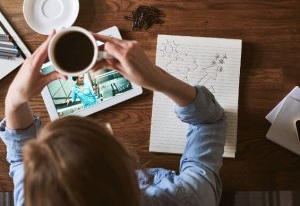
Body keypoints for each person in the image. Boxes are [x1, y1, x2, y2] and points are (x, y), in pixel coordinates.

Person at [0, 30, 227, 206]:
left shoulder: (35, 195)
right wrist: (159, 79)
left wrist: (14, 101)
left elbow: (20, 160)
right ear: (124, 164)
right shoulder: (189, 198)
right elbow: (210, 122)